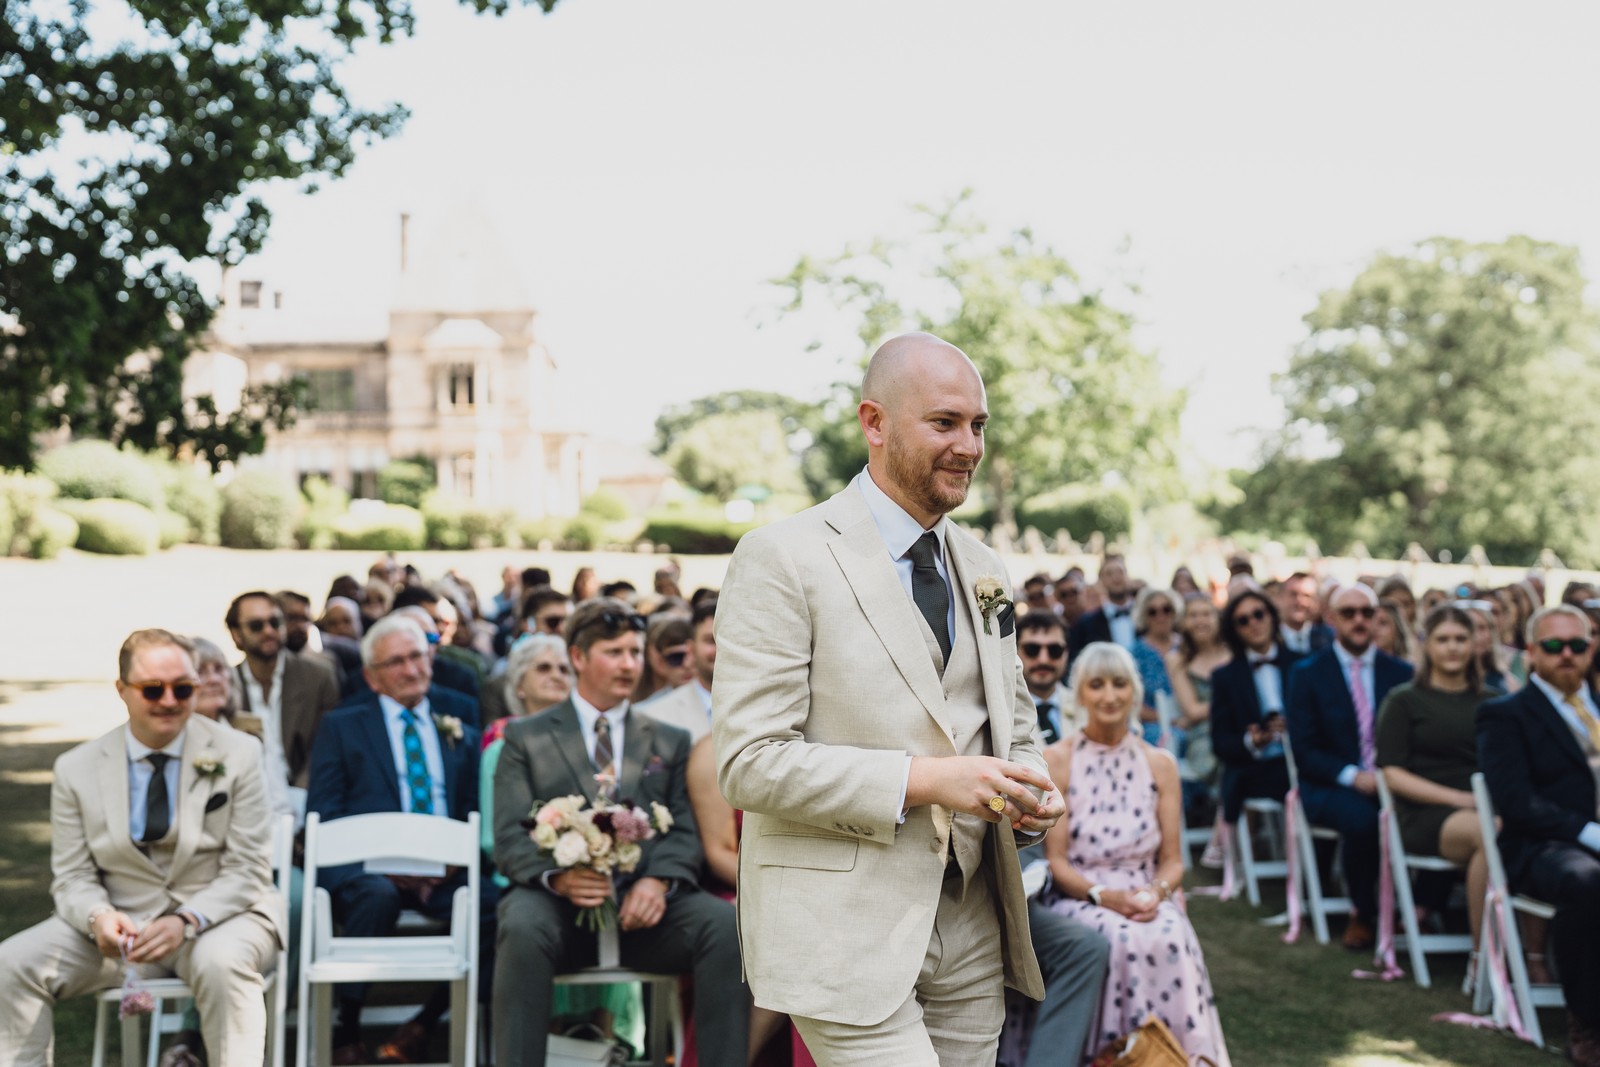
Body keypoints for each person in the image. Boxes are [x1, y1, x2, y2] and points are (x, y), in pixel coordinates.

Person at [714, 332, 1062, 1065]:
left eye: (978, 425)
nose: (968, 445)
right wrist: (926, 779)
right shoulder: (783, 555)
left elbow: (1015, 723)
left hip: (973, 921)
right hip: (840, 926)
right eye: (945, 423)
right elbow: (749, 762)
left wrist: (1029, 790)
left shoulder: (986, 564)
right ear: (875, 422)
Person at [0, 630, 282, 1067]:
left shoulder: (240, 752)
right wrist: (98, 918)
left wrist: (187, 919)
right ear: (122, 690)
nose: (169, 700)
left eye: (183, 689)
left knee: (222, 964)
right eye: (153, 689)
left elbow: (248, 868)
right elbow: (73, 877)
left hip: (222, 918)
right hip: (123, 930)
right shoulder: (76, 769)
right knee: (11, 964)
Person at [492, 598, 748, 1067]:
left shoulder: (667, 739)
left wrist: (659, 880)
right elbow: (509, 839)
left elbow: (684, 833)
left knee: (723, 927)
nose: (629, 664)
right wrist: (560, 878)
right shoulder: (524, 738)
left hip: (645, 915)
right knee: (520, 923)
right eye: (614, 652)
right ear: (578, 657)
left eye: (634, 652)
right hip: (556, 909)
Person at [306, 615, 491, 1064]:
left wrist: (456, 857)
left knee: (497, 910)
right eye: (396, 663)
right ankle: (346, 1026)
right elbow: (325, 811)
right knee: (375, 897)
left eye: (418, 656)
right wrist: (383, 862)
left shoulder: (459, 709)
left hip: (447, 870)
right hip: (372, 869)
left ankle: (423, 1023)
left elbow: (472, 799)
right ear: (371, 676)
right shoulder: (343, 725)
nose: (412, 670)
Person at [1042, 643, 1231, 1066]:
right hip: (1082, 894)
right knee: (1118, 938)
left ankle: (1172, 1057)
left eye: (1119, 684)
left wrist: (1156, 892)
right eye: (1097, 685)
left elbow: (1174, 860)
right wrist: (1105, 896)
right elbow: (1056, 862)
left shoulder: (1159, 763)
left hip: (1146, 890)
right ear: (1080, 695)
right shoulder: (1058, 760)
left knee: (1170, 932)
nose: (1109, 696)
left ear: (1135, 692)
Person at [1478, 604, 1600, 1065]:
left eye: (1577, 645)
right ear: (1531, 652)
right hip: (1544, 846)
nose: (1566, 654)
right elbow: (1516, 803)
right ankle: (1587, 1021)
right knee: (1587, 881)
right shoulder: (1504, 715)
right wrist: (1590, 833)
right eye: (1553, 646)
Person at [1286, 583, 1415, 950]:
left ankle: (1417, 907)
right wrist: (1352, 776)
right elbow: (1304, 750)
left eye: (1366, 612)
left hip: (1394, 780)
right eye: (1349, 613)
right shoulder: (1308, 673)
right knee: (1363, 818)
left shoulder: (1402, 673)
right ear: (1331, 619)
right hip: (1329, 783)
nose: (1359, 620)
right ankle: (1363, 911)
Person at [1374, 605, 1491, 952]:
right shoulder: (1404, 701)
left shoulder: (1494, 702)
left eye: (1460, 639)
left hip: (1489, 807)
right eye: (1443, 639)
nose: (1452, 647)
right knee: (1489, 833)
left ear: (1475, 644)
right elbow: (1392, 774)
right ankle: (1484, 957)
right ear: (1426, 645)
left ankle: (1529, 953)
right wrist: (1459, 800)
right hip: (1424, 814)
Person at [225, 590, 341, 803]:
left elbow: (326, 746)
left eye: (275, 622)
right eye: (256, 625)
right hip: (245, 799)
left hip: (306, 795)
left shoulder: (318, 676)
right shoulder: (226, 684)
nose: (268, 631)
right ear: (236, 634)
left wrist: (300, 794)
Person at [1210, 588, 1299, 823]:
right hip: (1257, 769)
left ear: (1271, 616)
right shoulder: (1225, 677)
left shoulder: (1304, 664)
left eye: (1258, 614)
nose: (1253, 624)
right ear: (1235, 630)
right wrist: (1253, 741)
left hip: (1304, 760)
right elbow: (1220, 742)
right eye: (1243, 620)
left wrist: (1294, 726)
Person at [1166, 591, 1230, 801]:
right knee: (1231, 756)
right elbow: (1193, 711)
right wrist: (1233, 704)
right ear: (1183, 622)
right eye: (1193, 615)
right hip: (1204, 737)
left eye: (1206, 614)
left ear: (1217, 618)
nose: (1200, 621)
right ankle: (1230, 824)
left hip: (1237, 729)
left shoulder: (1232, 653)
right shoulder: (1177, 659)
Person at [638, 597, 717, 742]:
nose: (720, 648)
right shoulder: (657, 716)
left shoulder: (766, 706)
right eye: (710, 641)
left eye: (728, 640)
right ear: (691, 648)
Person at [1018, 611, 1076, 745]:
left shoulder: (1087, 706)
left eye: (1054, 650)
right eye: (1032, 649)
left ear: (1066, 653)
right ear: (1014, 651)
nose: (1043, 660)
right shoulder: (1000, 712)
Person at [1067, 555, 1137, 668]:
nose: (1116, 577)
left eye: (1120, 572)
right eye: (1109, 574)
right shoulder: (1086, 623)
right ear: (1100, 581)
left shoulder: (1150, 614)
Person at [1130, 586, 1179, 741]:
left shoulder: (1188, 645)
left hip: (1192, 721)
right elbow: (1132, 703)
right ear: (1144, 616)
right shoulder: (1135, 653)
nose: (1160, 616)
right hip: (1153, 726)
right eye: (1152, 612)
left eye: (1166, 609)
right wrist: (1170, 720)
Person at [631, 615, 693, 704]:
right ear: (661, 662)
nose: (687, 664)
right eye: (676, 658)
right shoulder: (646, 710)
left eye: (692, 656)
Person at [1278, 571, 1333, 655]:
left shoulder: (1330, 638)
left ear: (1316, 602)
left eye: (1307, 596)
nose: (1300, 602)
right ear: (1281, 598)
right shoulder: (1268, 638)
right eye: (1293, 594)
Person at [1372, 600, 1418, 665]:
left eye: (1383, 623)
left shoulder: (1409, 670)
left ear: (1397, 629)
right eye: (1370, 623)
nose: (1374, 628)